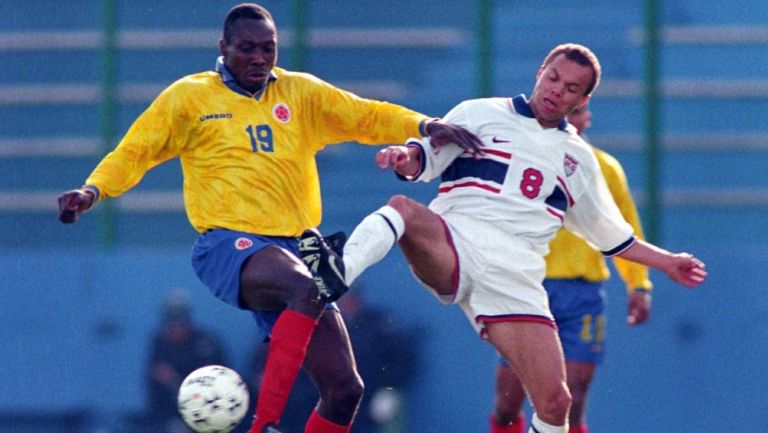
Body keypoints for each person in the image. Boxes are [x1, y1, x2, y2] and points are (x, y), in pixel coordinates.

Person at [56, 4, 482, 433]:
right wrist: (93, 190)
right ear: (223, 48)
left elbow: (365, 114)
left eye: (268, 48)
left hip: (297, 247)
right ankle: (264, 425)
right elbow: (136, 151)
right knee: (307, 286)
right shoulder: (190, 98)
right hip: (229, 245)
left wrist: (425, 125)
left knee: (346, 390)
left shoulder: (300, 94)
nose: (259, 58)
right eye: (247, 48)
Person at [300, 43, 707, 433]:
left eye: (570, 88)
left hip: (516, 279)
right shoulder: (480, 112)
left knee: (556, 403)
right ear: (540, 72)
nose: (556, 91)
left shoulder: (579, 160)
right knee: (403, 208)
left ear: (581, 100)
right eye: (553, 78)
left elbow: (613, 236)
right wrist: (404, 159)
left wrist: (667, 262)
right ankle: (338, 273)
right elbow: (425, 157)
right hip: (454, 244)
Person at [489, 103, 653, 433]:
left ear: (587, 117)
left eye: (576, 111)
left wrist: (638, 284)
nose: (568, 118)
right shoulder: (521, 161)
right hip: (528, 289)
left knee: (573, 397)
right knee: (509, 400)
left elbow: (623, 231)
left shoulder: (605, 169)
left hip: (581, 293)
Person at [146, 290, 228, 433]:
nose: (174, 329)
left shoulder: (206, 343)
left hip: (209, 414)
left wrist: (175, 380)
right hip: (170, 416)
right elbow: (154, 386)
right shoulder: (160, 344)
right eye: (171, 324)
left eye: (179, 323)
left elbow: (220, 384)